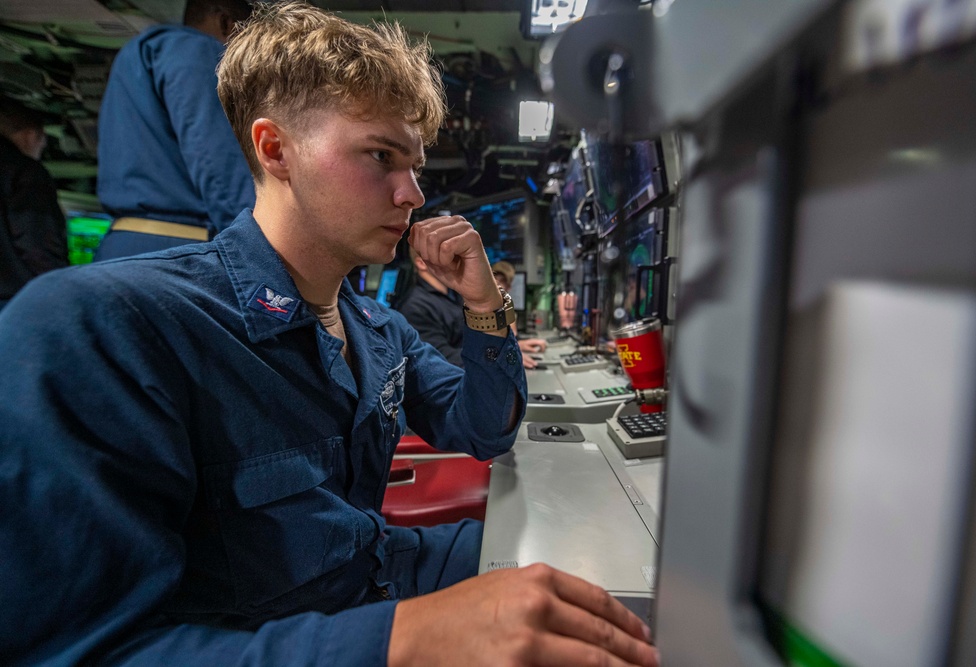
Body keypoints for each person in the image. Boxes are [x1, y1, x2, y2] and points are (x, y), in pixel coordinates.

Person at [0, 3, 658, 666]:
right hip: (300, 636)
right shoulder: (101, 326)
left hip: (370, 582)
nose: (411, 195)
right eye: (380, 156)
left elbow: (485, 428)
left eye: (416, 166)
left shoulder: (376, 329)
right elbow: (76, 651)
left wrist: (485, 302)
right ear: (275, 148)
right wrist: (406, 638)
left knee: (615, 582)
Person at [94, 0, 255, 260]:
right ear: (227, 23)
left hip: (121, 244)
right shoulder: (198, 50)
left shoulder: (137, 53)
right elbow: (218, 167)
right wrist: (260, 247)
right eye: (253, 43)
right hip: (180, 249)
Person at [0, 98, 67, 310]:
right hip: (13, 300)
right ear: (31, 135)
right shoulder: (25, 171)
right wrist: (60, 293)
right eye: (43, 142)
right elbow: (36, 240)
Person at [395, 244, 468, 366]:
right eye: (444, 254)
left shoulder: (456, 294)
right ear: (422, 263)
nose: (454, 259)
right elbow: (440, 358)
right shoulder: (415, 306)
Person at [491, 260, 549, 360]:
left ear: (509, 287)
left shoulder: (506, 311)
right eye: (494, 279)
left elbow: (505, 342)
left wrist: (519, 344)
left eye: (502, 281)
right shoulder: (475, 312)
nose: (497, 284)